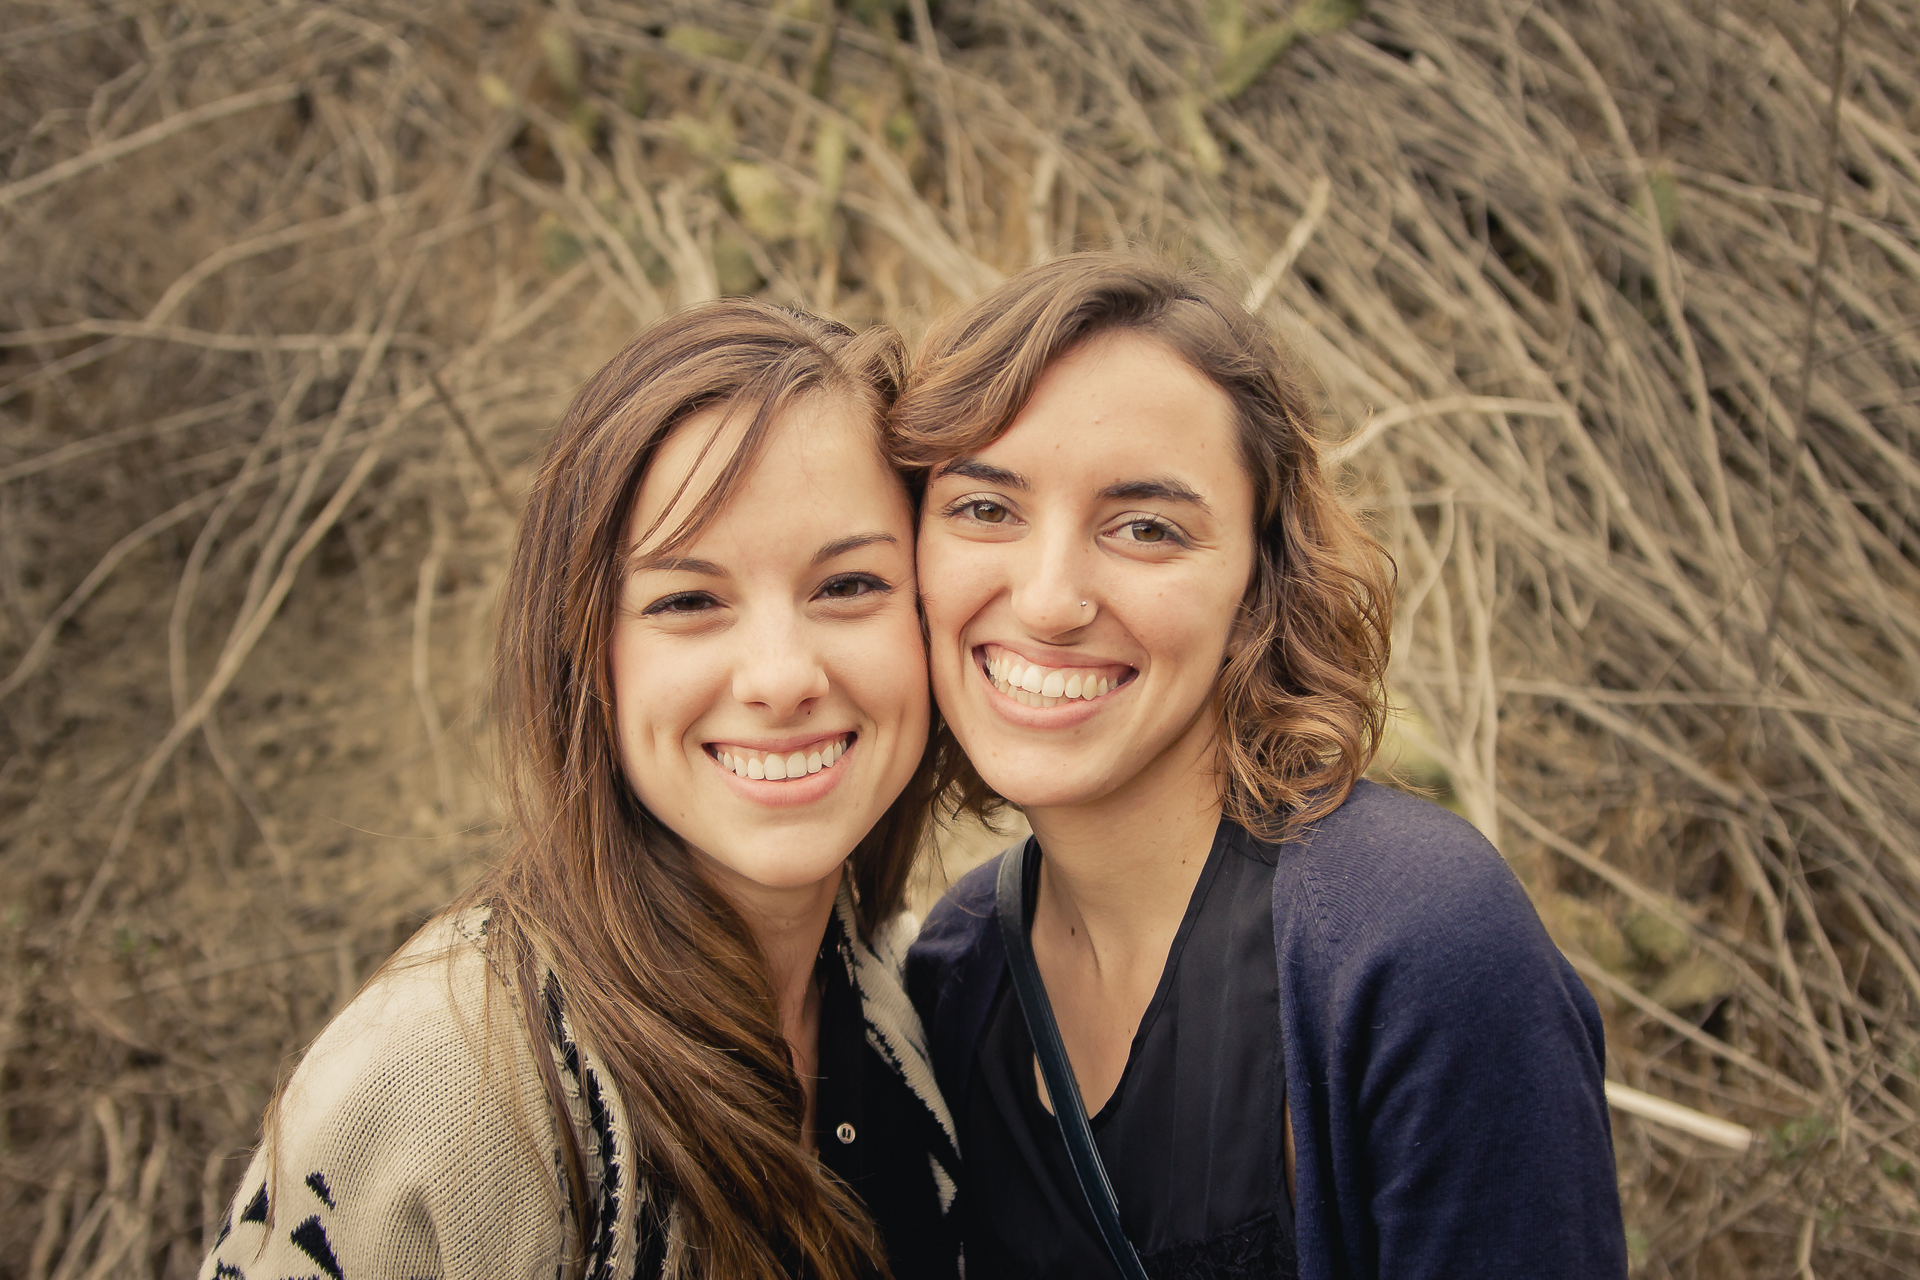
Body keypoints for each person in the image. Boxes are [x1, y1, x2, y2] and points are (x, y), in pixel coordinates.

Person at [898, 254, 1626, 1279]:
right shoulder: (955, 973)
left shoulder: (1410, 949)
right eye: (986, 508)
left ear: (1259, 582)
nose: (1050, 599)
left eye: (1146, 528)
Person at [202, 301, 959, 1280]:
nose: (781, 677)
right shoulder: (443, 1081)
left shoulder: (910, 1001)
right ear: (584, 653)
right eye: (688, 600)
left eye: (849, 585)